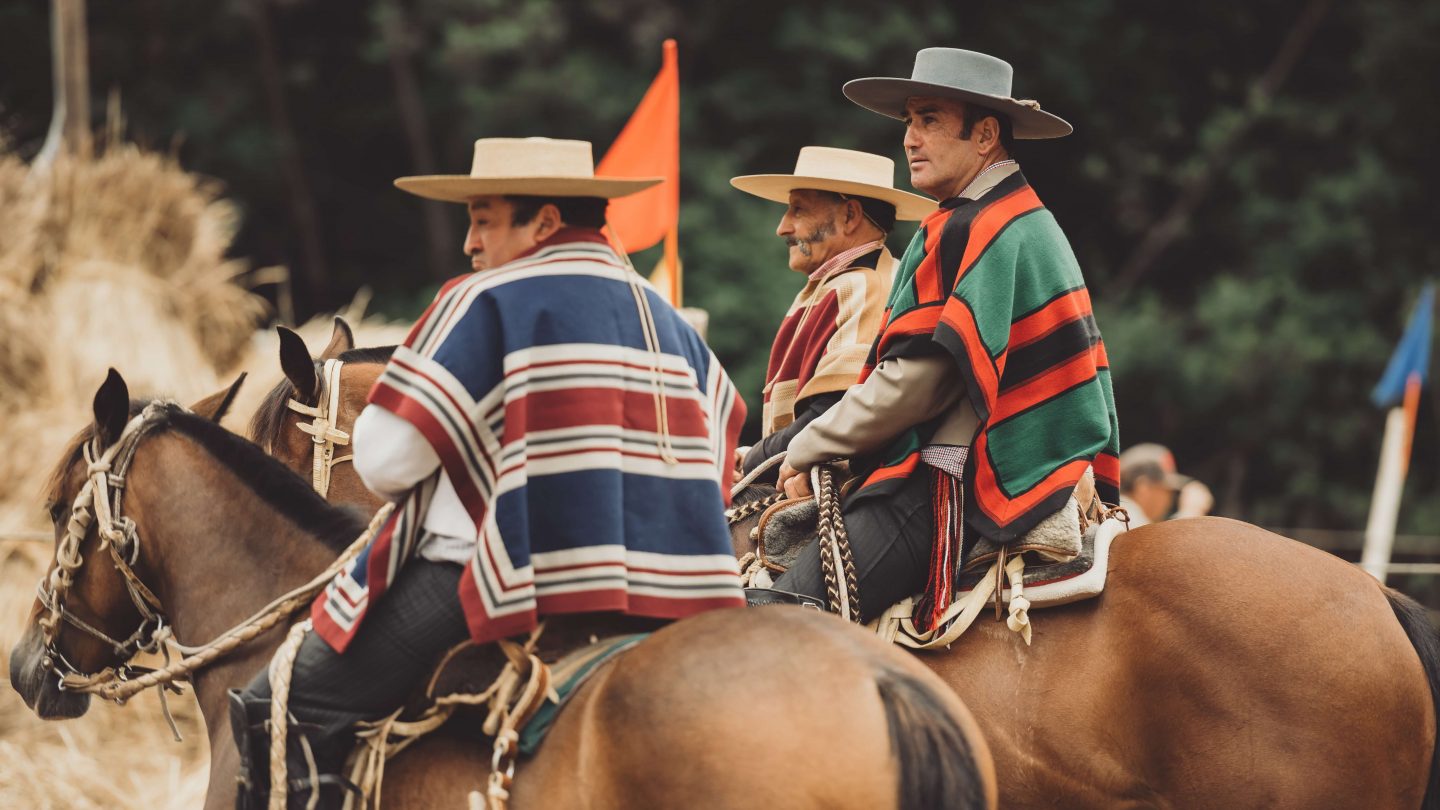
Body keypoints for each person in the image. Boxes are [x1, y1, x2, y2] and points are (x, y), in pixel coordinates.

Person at [228, 137, 747, 809]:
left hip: (504, 575)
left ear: (547, 222)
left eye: (484, 218)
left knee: (287, 700)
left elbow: (386, 460)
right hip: (669, 585)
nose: (471, 242)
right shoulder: (669, 318)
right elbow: (721, 437)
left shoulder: (487, 297)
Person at [761, 48, 1121, 629]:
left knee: (778, 622)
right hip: (1023, 461)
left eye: (929, 119)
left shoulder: (974, 226)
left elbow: (916, 382)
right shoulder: (1018, 217)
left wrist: (806, 447)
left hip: (954, 482)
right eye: (908, 121)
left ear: (984, 136)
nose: (910, 138)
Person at [729, 146, 934, 476]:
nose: (782, 227)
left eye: (798, 210)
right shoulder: (840, 283)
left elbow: (831, 414)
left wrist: (752, 460)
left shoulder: (863, 287)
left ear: (850, 216)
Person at [1119, 442, 1213, 527]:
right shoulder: (1126, 516)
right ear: (1143, 487)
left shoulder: (1119, 511)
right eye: (1165, 491)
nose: (1170, 499)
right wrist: (1191, 511)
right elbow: (1163, 546)